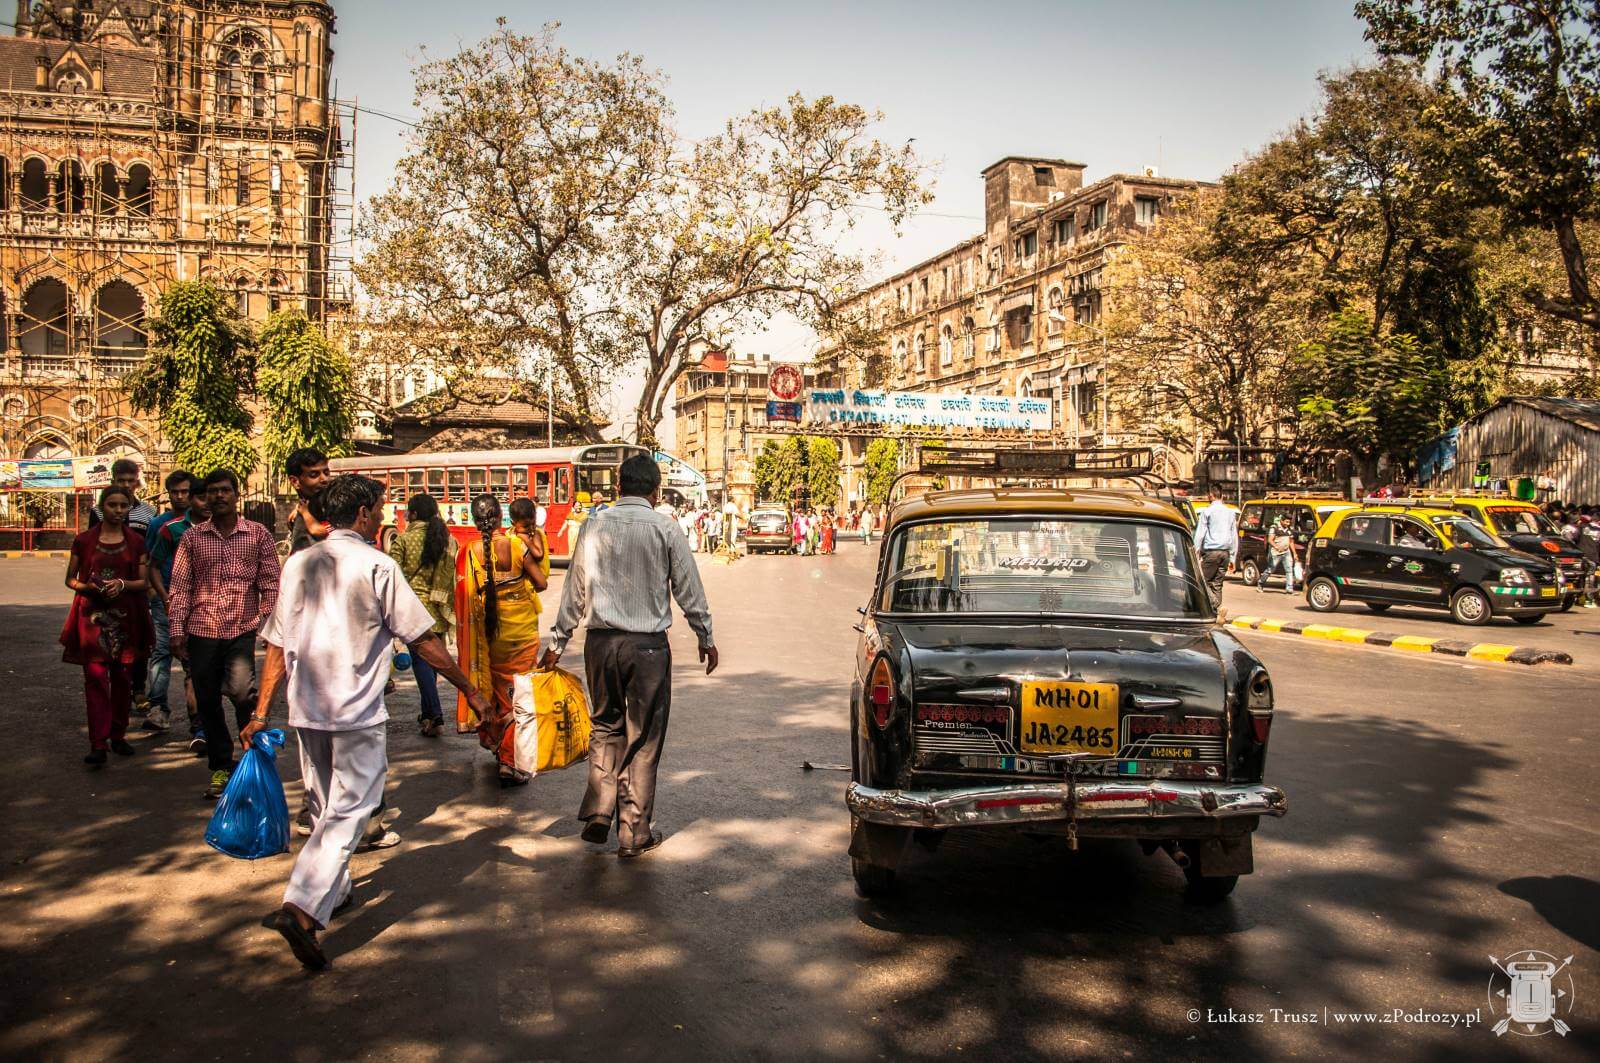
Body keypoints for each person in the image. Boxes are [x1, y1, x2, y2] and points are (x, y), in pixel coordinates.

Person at [246, 475, 492, 970]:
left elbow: (276, 642)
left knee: (323, 806)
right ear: (361, 514)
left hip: (306, 706)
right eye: (379, 508)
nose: (383, 516)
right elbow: (421, 638)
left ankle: (333, 893)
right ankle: (302, 907)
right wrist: (469, 689)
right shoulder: (377, 565)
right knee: (352, 808)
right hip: (354, 707)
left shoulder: (299, 563)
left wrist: (260, 711)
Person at [539, 454, 718, 859]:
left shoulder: (594, 525)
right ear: (656, 491)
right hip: (647, 647)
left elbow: (575, 589)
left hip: (600, 644)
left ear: (618, 487)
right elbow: (688, 588)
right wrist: (705, 636)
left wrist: (557, 642)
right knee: (644, 737)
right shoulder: (665, 528)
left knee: (605, 725)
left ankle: (601, 809)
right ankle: (633, 832)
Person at [167, 469, 281, 798]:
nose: (219, 496)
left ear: (236, 494)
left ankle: (252, 761)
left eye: (225, 490)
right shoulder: (192, 538)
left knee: (244, 694)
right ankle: (220, 767)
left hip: (241, 630)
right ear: (206, 497)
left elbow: (271, 583)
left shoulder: (257, 534)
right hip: (201, 630)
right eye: (213, 491)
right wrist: (176, 630)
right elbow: (181, 587)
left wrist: (269, 624)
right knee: (207, 700)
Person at [456, 493, 550, 786]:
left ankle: (499, 747)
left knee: (498, 695)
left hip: (488, 637)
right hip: (521, 634)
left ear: (475, 521)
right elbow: (542, 583)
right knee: (519, 697)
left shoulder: (468, 552)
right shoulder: (517, 545)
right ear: (500, 518)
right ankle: (510, 760)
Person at [61, 485, 153, 766]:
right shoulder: (83, 540)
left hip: (126, 619)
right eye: (112, 505)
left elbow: (143, 582)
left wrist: (122, 584)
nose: (118, 510)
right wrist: (89, 588)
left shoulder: (136, 542)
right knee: (95, 680)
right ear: (102, 507)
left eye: (123, 505)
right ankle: (98, 743)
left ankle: (118, 735)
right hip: (92, 618)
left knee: (123, 679)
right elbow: (70, 580)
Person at [387, 494, 459, 736]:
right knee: (433, 662)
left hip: (413, 610)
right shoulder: (446, 539)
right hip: (438, 609)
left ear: (414, 514)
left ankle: (435, 715)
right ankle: (428, 714)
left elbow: (393, 575)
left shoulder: (404, 540)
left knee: (421, 664)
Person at [141, 470, 193, 732]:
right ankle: (158, 707)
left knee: (191, 657)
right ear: (168, 494)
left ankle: (198, 719)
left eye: (185, 491)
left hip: (194, 600)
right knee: (162, 651)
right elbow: (150, 561)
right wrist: (156, 593)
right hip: (165, 597)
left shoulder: (200, 523)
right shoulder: (159, 524)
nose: (180, 497)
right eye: (175, 492)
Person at [1193, 486, 1238, 610]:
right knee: (1217, 584)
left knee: (1200, 581)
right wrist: (1233, 558)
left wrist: (1195, 551)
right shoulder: (1230, 512)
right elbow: (1234, 536)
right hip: (1225, 554)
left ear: (1211, 496)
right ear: (1222, 496)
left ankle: (1214, 603)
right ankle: (1217, 611)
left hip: (1212, 552)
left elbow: (1200, 533)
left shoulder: (1207, 512)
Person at [286, 448, 331, 555]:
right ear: (295, 481)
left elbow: (323, 530)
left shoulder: (334, 506)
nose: (324, 479)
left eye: (326, 473)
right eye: (314, 474)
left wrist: (305, 514)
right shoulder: (304, 507)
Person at [1258, 515, 1299, 593]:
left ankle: (1289, 589)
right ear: (1281, 521)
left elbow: (1291, 542)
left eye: (1289, 522)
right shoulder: (1274, 528)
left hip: (1286, 552)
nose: (1288, 524)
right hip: (1275, 553)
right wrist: (1276, 547)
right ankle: (1261, 583)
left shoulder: (1288, 530)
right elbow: (1270, 540)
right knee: (1270, 569)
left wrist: (1294, 553)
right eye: (1286, 522)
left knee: (1289, 570)